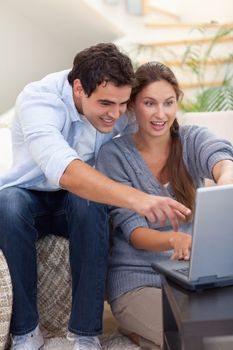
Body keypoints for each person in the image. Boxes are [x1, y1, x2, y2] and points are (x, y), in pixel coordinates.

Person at [0, 45, 191, 350]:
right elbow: (64, 169)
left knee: (88, 201)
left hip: (77, 202)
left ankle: (86, 333)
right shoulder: (39, 100)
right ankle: (25, 331)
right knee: (7, 204)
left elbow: (160, 125)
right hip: (30, 196)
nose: (116, 114)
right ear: (78, 88)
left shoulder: (117, 105)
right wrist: (137, 199)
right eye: (105, 104)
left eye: (122, 104)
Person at [96, 61, 233, 350]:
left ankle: (143, 338)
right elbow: (135, 234)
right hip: (137, 280)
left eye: (168, 103)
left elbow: (221, 157)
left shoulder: (191, 139)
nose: (161, 114)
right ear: (132, 105)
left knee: (220, 338)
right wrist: (173, 238)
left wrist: (225, 183)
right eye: (150, 103)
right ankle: (135, 332)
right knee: (196, 343)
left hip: (191, 276)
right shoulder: (114, 155)